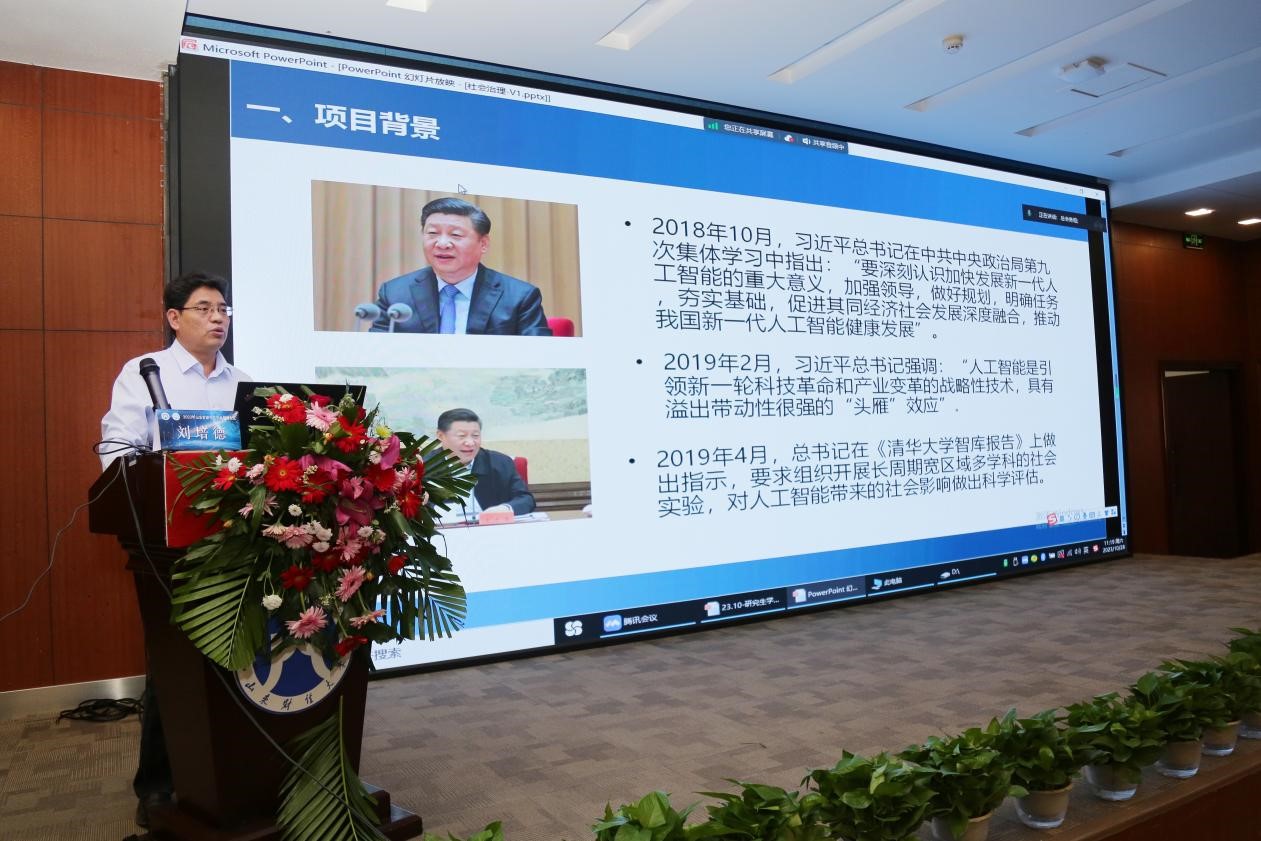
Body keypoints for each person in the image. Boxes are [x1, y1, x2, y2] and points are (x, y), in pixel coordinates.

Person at [99, 271, 250, 830]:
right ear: (174, 317)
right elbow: (116, 451)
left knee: (236, 657)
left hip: (236, 540)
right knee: (174, 666)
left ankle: (233, 769)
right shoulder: (145, 374)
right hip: (170, 545)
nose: (217, 318)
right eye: (204, 308)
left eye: (223, 309)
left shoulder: (243, 383)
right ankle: (158, 787)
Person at [369, 197, 552, 336]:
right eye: (432, 233)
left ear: (483, 244)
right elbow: (374, 353)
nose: (442, 243)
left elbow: (539, 358)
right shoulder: (395, 293)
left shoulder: (519, 297)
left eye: (455, 235)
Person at [436, 408, 535, 516]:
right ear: (441, 436)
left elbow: (526, 499)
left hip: (491, 525)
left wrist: (505, 509)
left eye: (475, 436)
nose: (470, 443)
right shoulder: (424, 466)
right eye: (461, 436)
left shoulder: (500, 463)